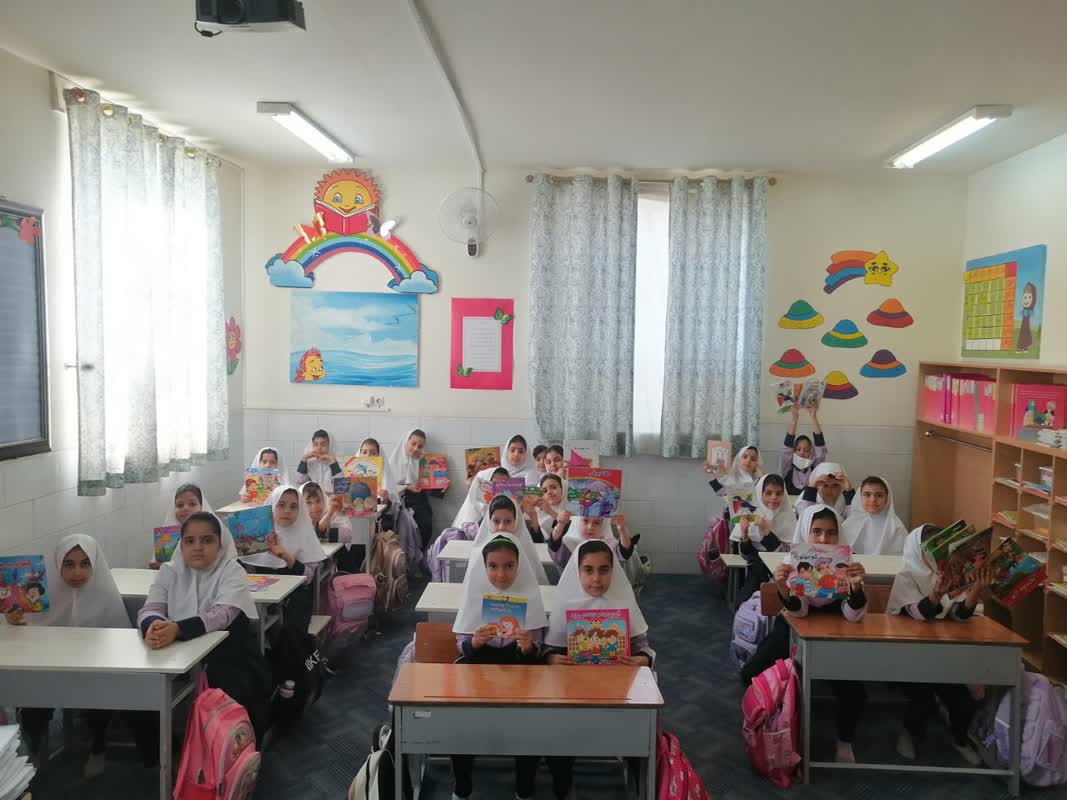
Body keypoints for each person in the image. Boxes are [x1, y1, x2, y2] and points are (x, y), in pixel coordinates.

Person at [7, 534, 155, 778]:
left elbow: (117, 641)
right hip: (50, 671)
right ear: (57, 565)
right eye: (69, 564)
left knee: (100, 690)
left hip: (95, 672)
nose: (77, 572)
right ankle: (30, 757)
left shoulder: (103, 593)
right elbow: (28, 638)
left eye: (85, 564)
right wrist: (15, 622)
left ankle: (98, 746)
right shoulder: (41, 596)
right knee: (30, 697)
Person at [739, 505, 868, 764]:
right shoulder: (792, 564)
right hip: (793, 627)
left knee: (854, 692)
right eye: (816, 531)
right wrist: (782, 588)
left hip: (833, 634)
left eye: (831, 533)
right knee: (751, 672)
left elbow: (853, 616)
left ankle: (844, 739)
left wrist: (855, 589)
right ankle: (768, 723)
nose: (823, 539)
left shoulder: (848, 565)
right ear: (805, 532)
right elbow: (800, 611)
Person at [139, 513, 271, 740]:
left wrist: (177, 629)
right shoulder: (169, 571)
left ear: (220, 544)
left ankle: (231, 751)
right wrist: (154, 626)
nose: (198, 547)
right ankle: (165, 750)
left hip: (227, 655)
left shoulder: (232, 570)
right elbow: (151, 607)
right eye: (190, 541)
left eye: (207, 540)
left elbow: (222, 615)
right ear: (181, 545)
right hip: (177, 653)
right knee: (144, 691)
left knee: (232, 695)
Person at [543, 539, 653, 798]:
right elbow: (547, 648)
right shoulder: (566, 602)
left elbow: (643, 647)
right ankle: (562, 786)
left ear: (613, 571)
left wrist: (643, 660)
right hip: (572, 693)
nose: (596, 579)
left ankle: (637, 783)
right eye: (588, 570)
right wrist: (550, 658)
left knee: (640, 732)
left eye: (604, 570)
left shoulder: (622, 599)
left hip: (617, 691)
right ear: (577, 571)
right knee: (556, 735)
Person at [450, 532, 548, 800]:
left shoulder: (531, 597)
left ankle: (524, 787)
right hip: (478, 676)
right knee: (461, 725)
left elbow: (538, 650)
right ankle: (462, 786)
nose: (501, 574)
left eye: (509, 566)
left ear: (519, 566)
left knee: (529, 728)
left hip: (520, 679)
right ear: (484, 567)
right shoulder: (474, 594)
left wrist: (527, 647)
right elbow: (461, 646)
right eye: (493, 566)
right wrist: (475, 642)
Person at [886, 524, 989, 765]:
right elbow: (917, 613)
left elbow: (959, 615)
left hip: (943, 657)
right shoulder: (906, 576)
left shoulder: (950, 576)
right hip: (909, 658)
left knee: (963, 704)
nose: (937, 557)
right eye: (931, 550)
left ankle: (959, 739)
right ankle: (909, 733)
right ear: (916, 550)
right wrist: (934, 595)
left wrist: (976, 589)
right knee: (922, 701)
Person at [241, 485, 327, 636]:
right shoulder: (256, 534)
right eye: (281, 505)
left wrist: (287, 557)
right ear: (272, 506)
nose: (287, 511)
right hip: (261, 596)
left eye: (293, 507)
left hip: (294, 598)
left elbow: (309, 578)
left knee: (288, 631)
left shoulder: (304, 532)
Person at [732, 474, 794, 606]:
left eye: (779, 493)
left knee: (780, 608)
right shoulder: (750, 515)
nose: (774, 497)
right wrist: (744, 535)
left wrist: (767, 531)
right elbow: (747, 557)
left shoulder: (789, 517)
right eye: (768, 493)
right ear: (760, 494)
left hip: (781, 577)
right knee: (744, 606)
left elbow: (785, 555)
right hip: (757, 574)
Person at [452, 434, 540, 527]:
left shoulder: (531, 474)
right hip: (490, 517)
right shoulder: (494, 471)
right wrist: (474, 485)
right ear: (506, 452)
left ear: (526, 454)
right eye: (512, 450)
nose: (516, 454)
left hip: (520, 519)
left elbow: (532, 499)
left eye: (521, 451)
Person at [471, 495, 550, 585]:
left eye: (508, 521)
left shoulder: (525, 546)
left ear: (516, 522)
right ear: (489, 522)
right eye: (496, 521)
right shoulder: (481, 549)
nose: (501, 527)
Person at [150, 482, 218, 569]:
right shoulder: (166, 537)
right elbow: (159, 567)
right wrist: (157, 566)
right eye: (180, 505)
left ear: (202, 507)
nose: (185, 508)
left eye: (192, 504)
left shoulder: (214, 533)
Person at [385, 428, 434, 549]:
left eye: (420, 446)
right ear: (406, 442)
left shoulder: (422, 462)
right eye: (413, 444)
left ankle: (419, 557)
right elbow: (388, 485)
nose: (416, 448)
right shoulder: (392, 463)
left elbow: (428, 485)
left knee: (425, 527)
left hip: (419, 502)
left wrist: (441, 487)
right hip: (400, 503)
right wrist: (406, 487)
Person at [302, 481, 363, 572]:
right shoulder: (299, 520)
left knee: (344, 551)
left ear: (324, 499)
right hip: (310, 570)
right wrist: (324, 530)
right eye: (308, 503)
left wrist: (335, 514)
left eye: (318, 501)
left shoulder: (330, 511)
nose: (314, 507)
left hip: (328, 567)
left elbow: (347, 535)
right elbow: (311, 536)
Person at [547, 510, 636, 569]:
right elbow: (554, 546)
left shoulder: (609, 545)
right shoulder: (569, 544)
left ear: (604, 525)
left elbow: (625, 552)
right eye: (585, 521)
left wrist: (622, 529)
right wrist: (560, 524)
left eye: (597, 523)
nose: (590, 527)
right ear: (577, 521)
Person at [842, 476, 907, 554]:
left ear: (887, 498)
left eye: (879, 495)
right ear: (860, 497)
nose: (873, 500)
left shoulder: (896, 528)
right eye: (867, 495)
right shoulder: (849, 524)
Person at [782, 406, 827, 495]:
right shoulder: (787, 468)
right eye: (798, 449)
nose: (802, 452)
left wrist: (813, 417)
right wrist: (795, 418)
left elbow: (820, 447)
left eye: (806, 450)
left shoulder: (816, 469)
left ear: (812, 454)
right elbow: (787, 446)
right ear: (793, 452)